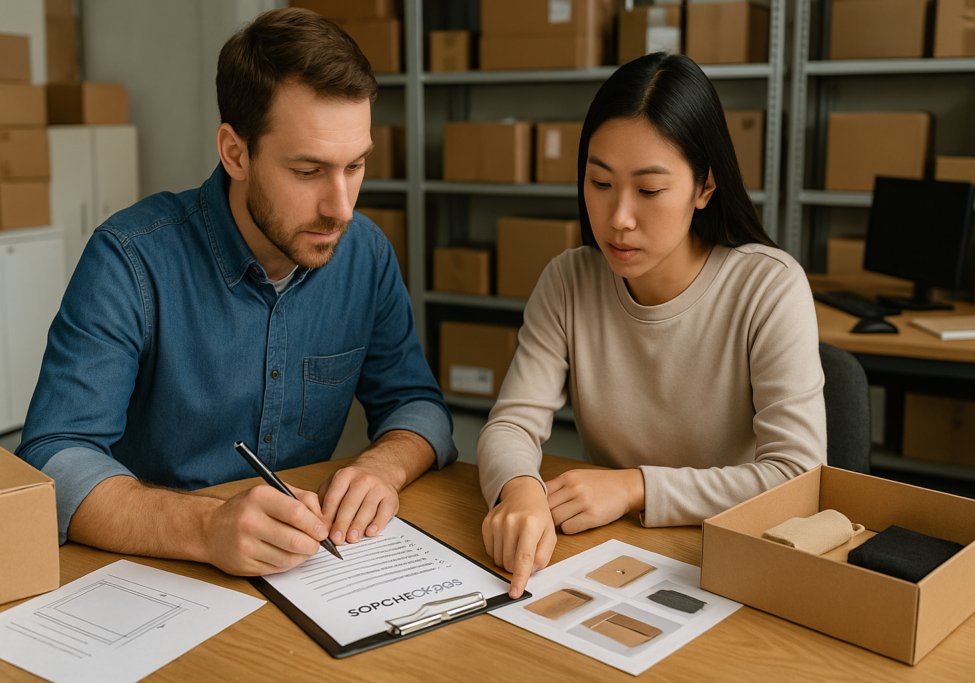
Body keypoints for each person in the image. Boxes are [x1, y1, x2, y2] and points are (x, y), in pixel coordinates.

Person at [16, 8, 456, 577]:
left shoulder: (364, 253)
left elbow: (418, 406)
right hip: (159, 569)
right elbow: (53, 456)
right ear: (235, 152)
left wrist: (383, 466)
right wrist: (204, 526)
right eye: (308, 171)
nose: (341, 207)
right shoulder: (130, 258)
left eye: (356, 166)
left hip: (300, 568)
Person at [477, 53, 827, 598]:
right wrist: (519, 490)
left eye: (649, 190)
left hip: (732, 564)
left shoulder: (769, 287)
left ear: (705, 187)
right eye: (599, 182)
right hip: (609, 557)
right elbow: (511, 425)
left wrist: (637, 487)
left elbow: (798, 478)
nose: (618, 217)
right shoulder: (569, 279)